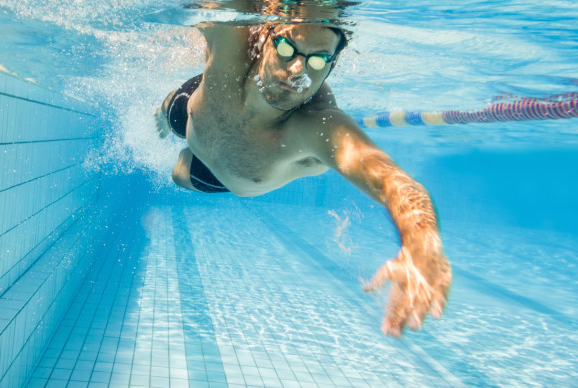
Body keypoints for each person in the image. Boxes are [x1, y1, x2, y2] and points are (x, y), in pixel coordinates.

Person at [155, 20, 452, 337]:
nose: (298, 69)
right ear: (264, 38)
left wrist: (422, 242)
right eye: (287, 48)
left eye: (318, 60)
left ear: (331, 66)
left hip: (222, 173)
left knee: (178, 174)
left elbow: (392, 182)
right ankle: (166, 119)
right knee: (169, 111)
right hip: (199, 112)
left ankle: (184, 149)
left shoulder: (318, 127)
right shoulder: (234, 44)